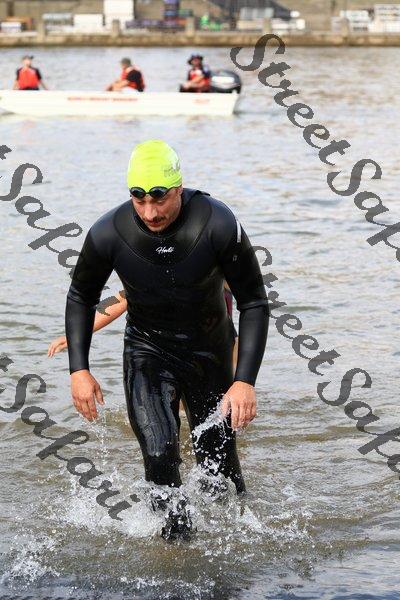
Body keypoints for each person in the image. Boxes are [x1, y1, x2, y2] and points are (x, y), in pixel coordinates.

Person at [64, 140, 269, 539]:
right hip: (148, 351)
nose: (150, 212)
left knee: (219, 466)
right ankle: (177, 547)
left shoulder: (217, 223)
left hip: (209, 353)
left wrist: (244, 381)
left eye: (159, 199)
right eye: (139, 200)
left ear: (179, 188)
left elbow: (254, 302)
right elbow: (80, 297)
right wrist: (79, 370)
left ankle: (238, 543)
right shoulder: (109, 232)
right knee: (159, 451)